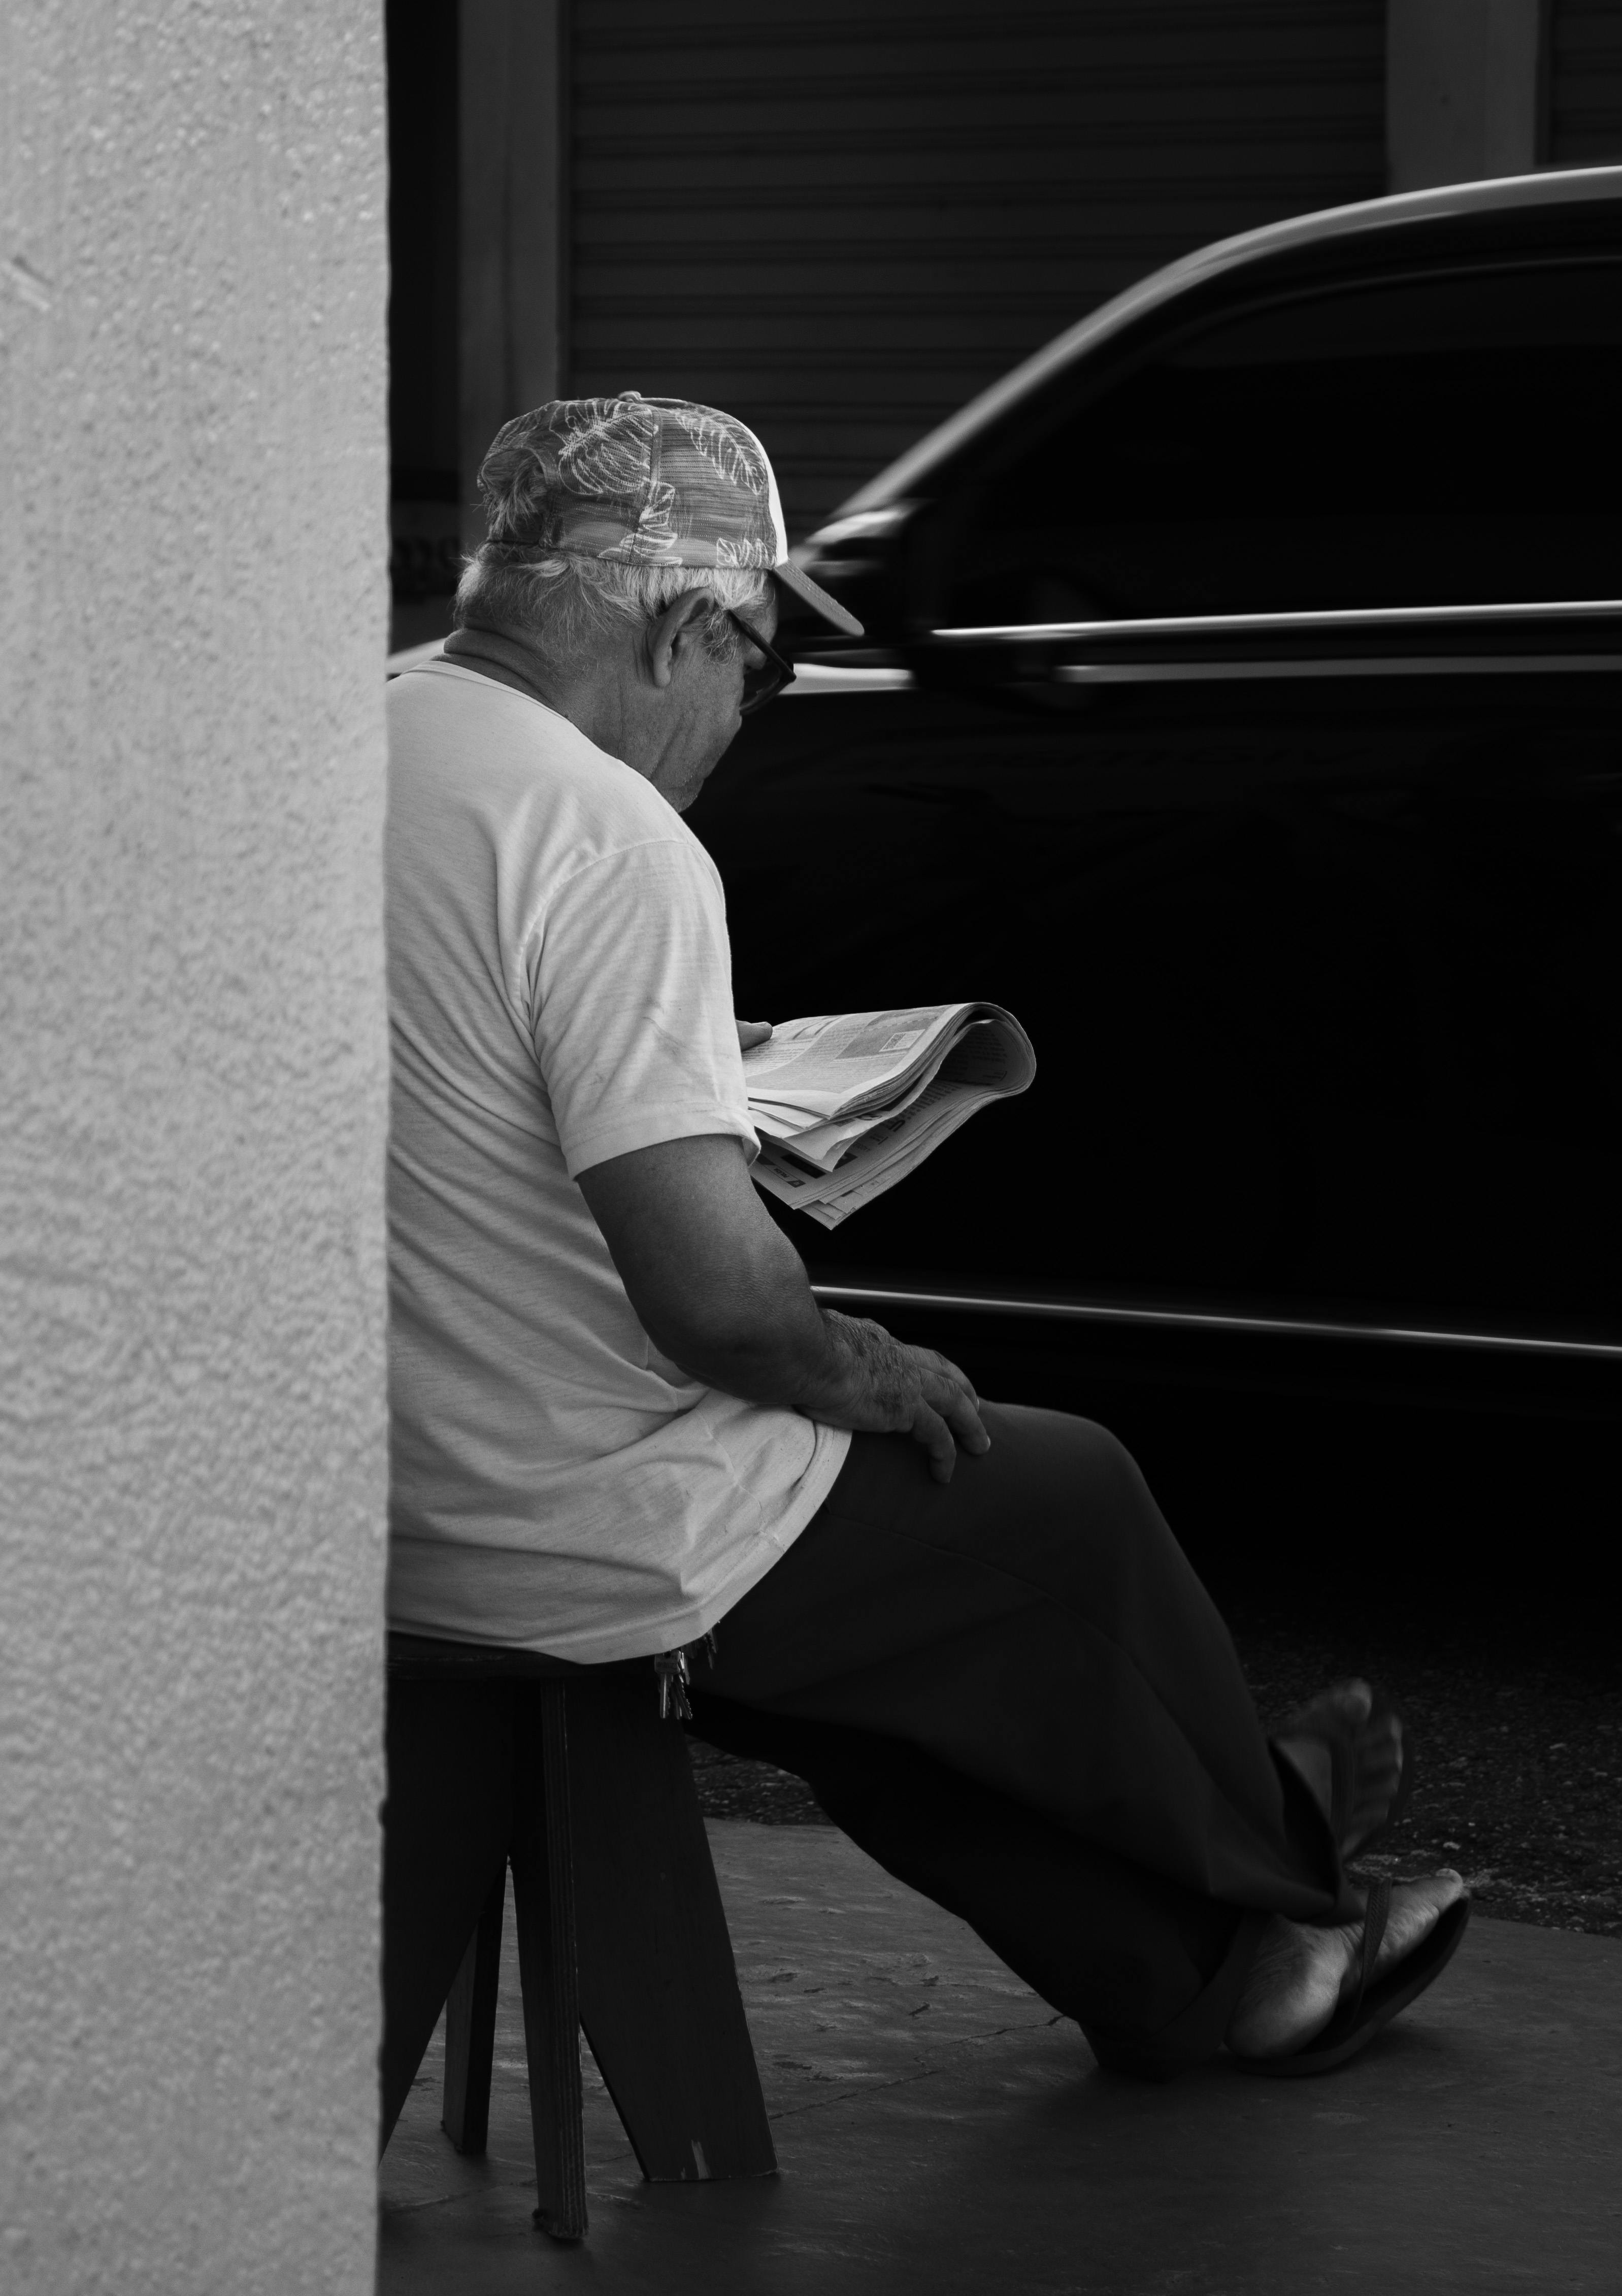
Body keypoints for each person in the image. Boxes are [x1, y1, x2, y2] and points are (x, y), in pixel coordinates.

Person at [385, 391, 1467, 2079]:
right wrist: (868, 1368)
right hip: (555, 1509)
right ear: (685, 625)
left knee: (895, 1689)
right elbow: (717, 1300)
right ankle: (1280, 1861)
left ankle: (1226, 1959)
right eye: (760, 665)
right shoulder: (602, 835)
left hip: (365, 1502)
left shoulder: (346, 749)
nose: (753, 708)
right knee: (1049, 1489)